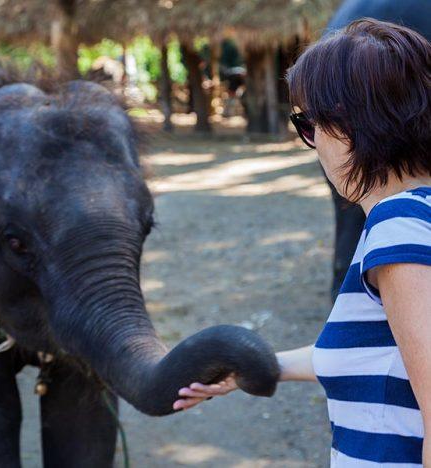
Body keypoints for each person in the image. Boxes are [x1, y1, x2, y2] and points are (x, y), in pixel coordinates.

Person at [173, 19, 431, 467]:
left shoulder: (398, 227)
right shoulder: (418, 216)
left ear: (352, 124)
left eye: (308, 124)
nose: (310, 143)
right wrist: (256, 368)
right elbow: (384, 355)